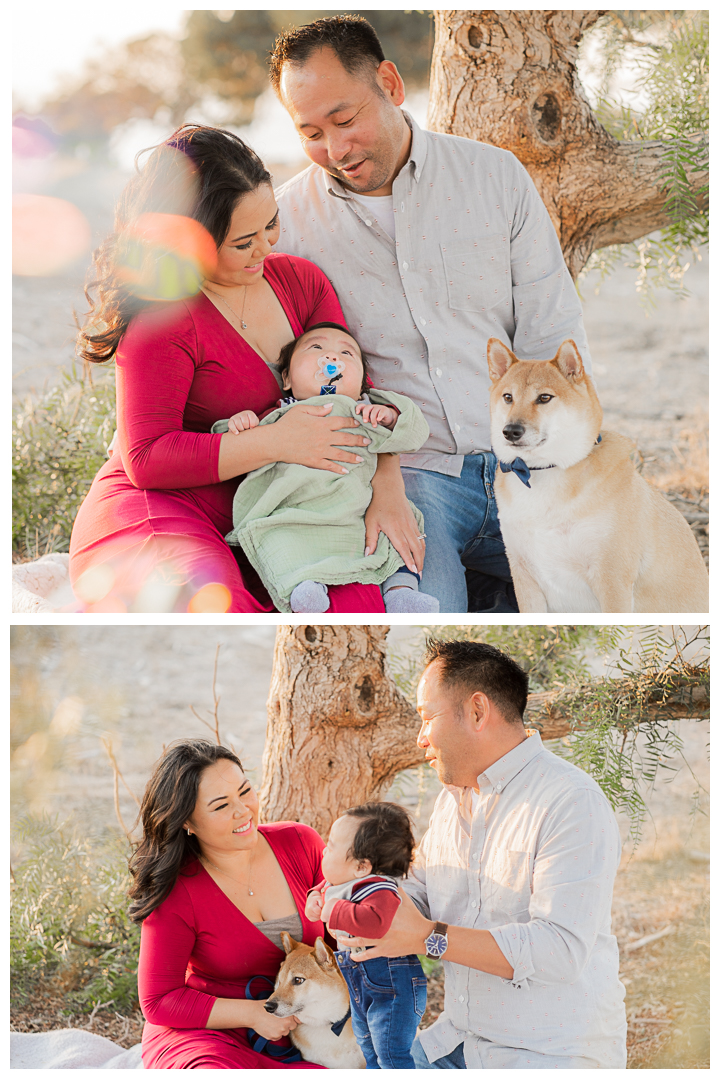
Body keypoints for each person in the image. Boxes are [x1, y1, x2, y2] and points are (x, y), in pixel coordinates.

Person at [269, 15, 593, 613]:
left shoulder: (495, 177)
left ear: (390, 84)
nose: (335, 149)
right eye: (310, 131)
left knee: (605, 604)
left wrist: (563, 458)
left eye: (345, 120)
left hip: (532, 463)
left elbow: (552, 329)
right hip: (408, 483)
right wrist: (376, 470)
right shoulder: (288, 226)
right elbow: (295, 376)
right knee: (422, 624)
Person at [68, 123, 425, 614]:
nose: (265, 249)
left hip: (292, 503)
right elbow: (147, 458)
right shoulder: (162, 318)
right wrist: (277, 441)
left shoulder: (301, 282)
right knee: (208, 605)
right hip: (169, 506)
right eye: (243, 242)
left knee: (358, 608)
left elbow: (357, 390)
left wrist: (386, 488)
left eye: (271, 225)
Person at [335, 640, 627, 1069]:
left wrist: (425, 936)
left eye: (426, 717)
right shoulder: (450, 801)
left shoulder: (570, 800)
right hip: (459, 1039)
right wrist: (358, 902)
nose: (419, 739)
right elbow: (416, 894)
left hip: (551, 1053)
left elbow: (560, 949)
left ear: (476, 712)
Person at [213, 321, 438, 613]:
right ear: (287, 378)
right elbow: (227, 444)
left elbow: (413, 435)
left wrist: (390, 418)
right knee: (277, 541)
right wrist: (241, 424)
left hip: (358, 512)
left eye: (346, 354)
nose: (332, 358)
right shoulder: (280, 414)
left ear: (361, 385)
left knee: (399, 534)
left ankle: (401, 592)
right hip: (295, 513)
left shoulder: (365, 412)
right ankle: (302, 587)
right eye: (317, 348)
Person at [130, 739, 328, 1069]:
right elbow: (159, 999)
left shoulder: (301, 843)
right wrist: (255, 1014)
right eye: (221, 806)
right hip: (208, 1034)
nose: (243, 810)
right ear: (187, 822)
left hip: (307, 1028)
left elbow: (342, 947)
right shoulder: (177, 889)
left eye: (245, 790)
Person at [305, 802, 427, 1069]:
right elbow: (324, 889)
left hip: (391, 982)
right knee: (367, 1043)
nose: (324, 850)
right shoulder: (341, 882)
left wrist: (333, 909)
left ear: (361, 866)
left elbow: (376, 923)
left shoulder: (379, 888)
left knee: (391, 1052)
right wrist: (315, 898)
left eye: (332, 845)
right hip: (360, 979)